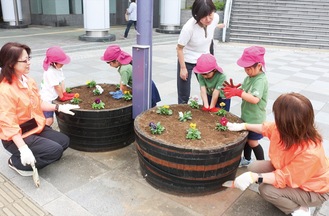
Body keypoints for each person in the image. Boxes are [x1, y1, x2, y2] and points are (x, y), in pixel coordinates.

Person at [225, 92, 329, 216]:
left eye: (278, 117)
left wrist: (254, 177)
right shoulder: (286, 130)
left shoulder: (310, 153)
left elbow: (284, 177)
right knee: (255, 167)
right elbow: (265, 128)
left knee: (266, 190)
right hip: (293, 175)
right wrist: (243, 125)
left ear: (288, 123)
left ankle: (299, 208)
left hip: (313, 190)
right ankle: (288, 194)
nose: (276, 119)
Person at [0, 42, 79, 177]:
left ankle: (37, 151)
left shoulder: (27, 80)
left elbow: (38, 103)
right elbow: (8, 124)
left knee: (64, 141)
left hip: (33, 127)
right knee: (54, 151)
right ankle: (15, 161)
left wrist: (59, 107)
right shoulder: (5, 90)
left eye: (29, 58)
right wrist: (23, 149)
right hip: (16, 137)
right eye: (24, 60)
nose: (29, 63)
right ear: (11, 63)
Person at [223, 46, 268, 166]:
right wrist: (235, 89)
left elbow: (254, 99)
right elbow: (244, 90)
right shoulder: (250, 77)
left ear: (259, 66)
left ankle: (262, 164)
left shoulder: (260, 80)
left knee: (253, 142)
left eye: (249, 68)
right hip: (247, 116)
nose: (246, 71)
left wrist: (238, 93)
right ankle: (247, 159)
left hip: (256, 119)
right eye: (245, 68)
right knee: (247, 140)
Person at [177, 0, 225, 104]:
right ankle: (182, 116)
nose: (208, 19)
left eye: (210, 15)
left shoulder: (215, 18)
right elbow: (179, 48)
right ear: (196, 15)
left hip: (204, 60)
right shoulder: (188, 28)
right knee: (184, 95)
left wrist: (217, 26)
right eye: (204, 17)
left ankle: (209, 112)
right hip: (188, 60)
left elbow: (209, 28)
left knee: (210, 88)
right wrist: (183, 68)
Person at [40, 46, 74, 126]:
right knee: (49, 120)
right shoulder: (50, 72)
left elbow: (61, 81)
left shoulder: (58, 69)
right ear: (53, 63)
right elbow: (56, 86)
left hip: (53, 97)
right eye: (61, 63)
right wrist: (62, 96)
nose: (63, 64)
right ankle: (42, 132)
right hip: (47, 99)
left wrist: (64, 92)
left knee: (49, 119)